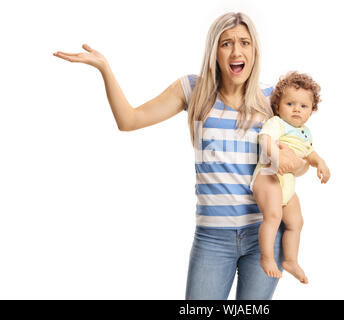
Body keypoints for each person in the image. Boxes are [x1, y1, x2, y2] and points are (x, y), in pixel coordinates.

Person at [53, 12, 309, 300]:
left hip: (263, 235)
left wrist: (296, 164)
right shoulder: (193, 90)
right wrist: (104, 69)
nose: (236, 51)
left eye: (244, 43)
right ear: (214, 50)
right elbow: (129, 120)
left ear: (254, 50)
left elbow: (299, 160)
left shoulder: (272, 97)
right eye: (226, 43)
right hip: (212, 239)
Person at [250, 71, 330, 283]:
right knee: (273, 216)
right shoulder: (277, 123)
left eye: (303, 106)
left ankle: (291, 260)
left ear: (311, 111)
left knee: (296, 221)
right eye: (290, 104)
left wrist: (320, 162)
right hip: (268, 177)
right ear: (278, 107)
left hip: (288, 184)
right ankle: (267, 258)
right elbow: (265, 140)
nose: (296, 109)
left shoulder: (305, 133)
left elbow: (309, 153)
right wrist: (276, 156)